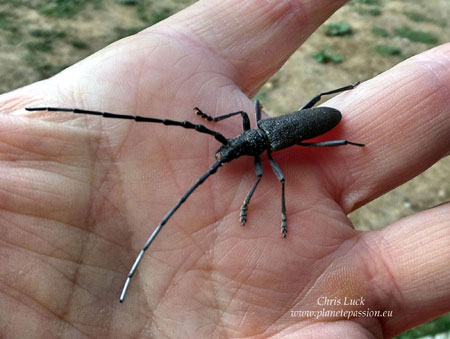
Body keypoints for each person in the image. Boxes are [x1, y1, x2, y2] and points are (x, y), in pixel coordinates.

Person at [0, 0, 449, 337]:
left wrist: (290, 196)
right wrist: (216, 129)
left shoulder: (265, 148)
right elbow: (245, 152)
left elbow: (272, 173)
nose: (226, 154)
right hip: (284, 132)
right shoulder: (250, 137)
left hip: (315, 124)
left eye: (229, 150)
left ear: (244, 140)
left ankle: (346, 100)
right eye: (229, 150)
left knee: (283, 167)